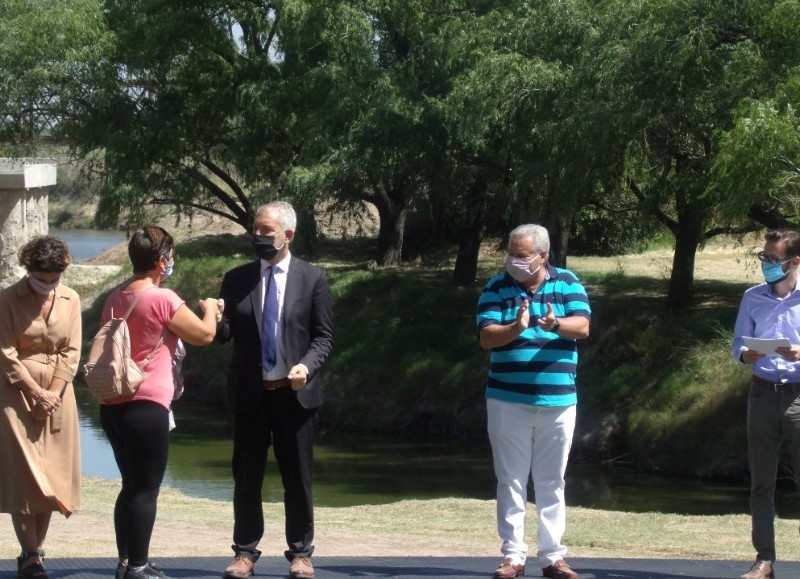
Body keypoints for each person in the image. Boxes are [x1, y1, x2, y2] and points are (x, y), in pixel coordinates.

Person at [216, 201, 334, 579]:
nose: (260, 237)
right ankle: (245, 552)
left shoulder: (313, 278)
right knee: (246, 477)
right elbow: (225, 333)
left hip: (295, 396)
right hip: (251, 395)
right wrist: (210, 318)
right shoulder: (236, 279)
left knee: (297, 478)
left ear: (289, 234)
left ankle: (300, 553)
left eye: (267, 231)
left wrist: (307, 366)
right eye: (256, 230)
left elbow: (324, 338)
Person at [99, 225, 221, 579]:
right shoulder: (162, 298)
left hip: (113, 404)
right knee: (146, 489)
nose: (171, 263)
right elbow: (205, 334)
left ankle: (127, 561)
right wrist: (211, 307)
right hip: (147, 405)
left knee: (130, 485)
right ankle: (138, 565)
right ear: (160, 260)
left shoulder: (115, 296)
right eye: (170, 256)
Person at [477, 224, 591, 579]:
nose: (514, 261)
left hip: (558, 400)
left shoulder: (568, 282)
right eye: (511, 253)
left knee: (551, 480)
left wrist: (555, 324)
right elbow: (486, 337)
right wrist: (516, 327)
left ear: (542, 256)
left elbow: (583, 326)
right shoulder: (496, 287)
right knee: (510, 478)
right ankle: (513, 557)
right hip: (507, 399)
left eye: (522, 255)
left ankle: (553, 557)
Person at [0, 236, 82, 579]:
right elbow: (5, 352)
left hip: (59, 397)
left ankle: (37, 550)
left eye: (53, 279)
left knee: (53, 477)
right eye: (41, 278)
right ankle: (30, 554)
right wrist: (35, 391)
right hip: (15, 396)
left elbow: (72, 350)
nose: (47, 286)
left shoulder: (72, 298)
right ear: (28, 269)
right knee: (25, 476)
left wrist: (54, 391)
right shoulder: (7, 299)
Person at [732, 229, 800, 579]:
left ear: (794, 261)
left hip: (798, 396)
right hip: (761, 393)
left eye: (774, 259)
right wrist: (747, 354)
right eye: (765, 257)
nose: (768, 264)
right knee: (762, 483)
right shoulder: (752, 297)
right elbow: (737, 345)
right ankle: (764, 560)